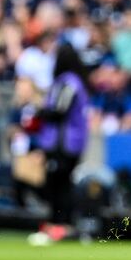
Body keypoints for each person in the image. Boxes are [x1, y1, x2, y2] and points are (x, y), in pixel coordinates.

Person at [36, 43, 90, 229]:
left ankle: (61, 222)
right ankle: (59, 222)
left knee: (60, 183)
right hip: (65, 141)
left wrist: (40, 112)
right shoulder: (68, 82)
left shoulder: (69, 83)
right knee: (58, 182)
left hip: (65, 143)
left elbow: (59, 111)